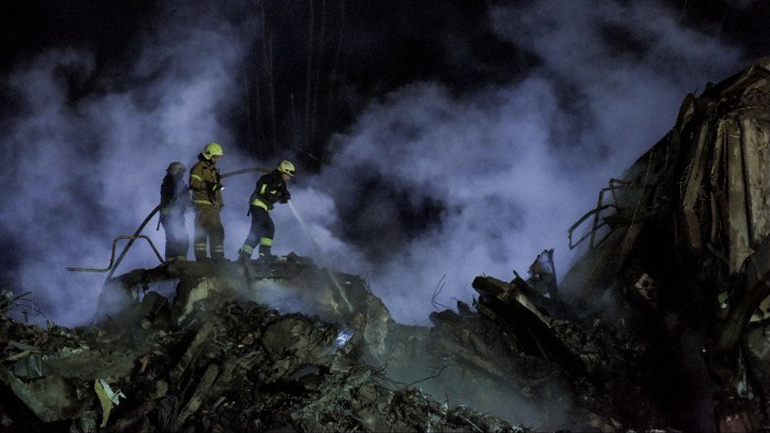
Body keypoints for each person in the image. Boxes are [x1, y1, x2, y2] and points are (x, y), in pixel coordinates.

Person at [238, 160, 294, 264]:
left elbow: (281, 197)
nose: (289, 177)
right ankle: (265, 255)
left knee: (256, 233)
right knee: (269, 227)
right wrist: (276, 196)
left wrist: (285, 198)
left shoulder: (282, 184)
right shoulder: (268, 178)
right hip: (257, 205)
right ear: (282, 171)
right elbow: (263, 191)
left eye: (290, 176)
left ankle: (244, 256)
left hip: (263, 208)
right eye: (287, 175)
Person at [189, 142, 226, 261]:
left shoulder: (213, 170)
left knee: (218, 232)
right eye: (215, 157)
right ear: (209, 155)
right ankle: (201, 259)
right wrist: (208, 185)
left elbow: (217, 190)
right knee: (201, 232)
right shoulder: (199, 167)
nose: (217, 159)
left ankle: (217, 258)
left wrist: (220, 203)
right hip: (201, 206)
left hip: (213, 207)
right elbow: (193, 184)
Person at [159, 161, 191, 262]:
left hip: (174, 216)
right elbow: (174, 196)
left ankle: (174, 262)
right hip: (171, 217)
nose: (182, 174)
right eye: (180, 171)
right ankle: (176, 263)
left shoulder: (174, 182)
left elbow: (183, 200)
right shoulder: (170, 182)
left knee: (175, 239)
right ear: (174, 171)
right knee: (178, 239)